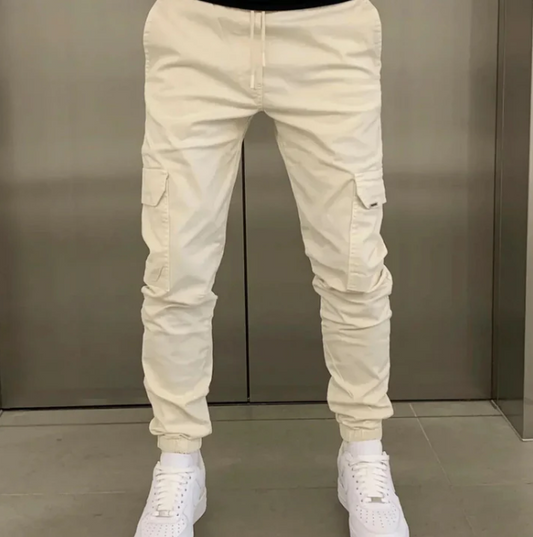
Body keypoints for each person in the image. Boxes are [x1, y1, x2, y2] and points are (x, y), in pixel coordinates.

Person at [135, 0, 409, 535]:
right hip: (196, 28)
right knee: (175, 267)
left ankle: (363, 450)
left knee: (354, 263)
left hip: (328, 29)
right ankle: (178, 459)